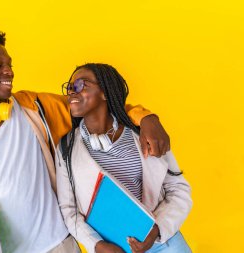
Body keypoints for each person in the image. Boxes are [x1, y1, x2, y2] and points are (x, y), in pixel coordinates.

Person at [0, 30, 171, 253]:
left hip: (60, 243)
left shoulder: (35, 107)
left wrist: (146, 117)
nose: (9, 71)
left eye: (9, 64)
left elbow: (98, 107)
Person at [56, 63, 192, 253]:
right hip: (112, 249)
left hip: (164, 243)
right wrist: (97, 245)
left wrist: (156, 231)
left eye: (80, 85)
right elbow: (69, 210)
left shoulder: (143, 133)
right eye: (69, 88)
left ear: (105, 92)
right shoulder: (66, 148)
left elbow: (179, 189)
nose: (71, 92)